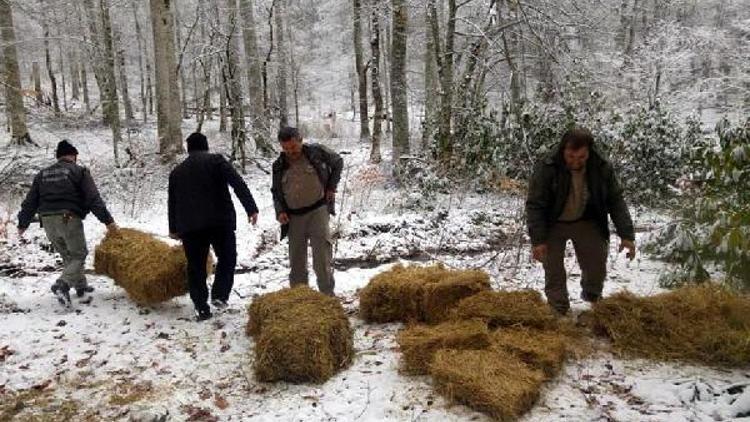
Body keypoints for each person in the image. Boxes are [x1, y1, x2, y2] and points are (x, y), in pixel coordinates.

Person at [526, 127, 636, 315]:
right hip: (553, 222)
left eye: (581, 157)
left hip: (587, 219)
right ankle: (558, 308)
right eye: (570, 157)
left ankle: (592, 296)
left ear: (589, 153)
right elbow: (535, 204)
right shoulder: (547, 167)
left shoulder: (601, 167)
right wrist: (538, 241)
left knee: (596, 265)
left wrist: (627, 235)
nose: (575, 162)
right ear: (563, 151)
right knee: (553, 268)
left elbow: (615, 200)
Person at [168, 132, 259, 321]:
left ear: (188, 148)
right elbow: (237, 183)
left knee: (196, 267)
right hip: (220, 222)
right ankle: (219, 294)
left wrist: (173, 228)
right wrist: (251, 208)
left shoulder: (177, 172)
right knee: (227, 257)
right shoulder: (216, 161)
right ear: (206, 146)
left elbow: (172, 202)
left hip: (190, 226)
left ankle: (201, 307)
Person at [17, 139, 118, 307]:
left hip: (47, 220)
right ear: (74, 155)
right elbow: (93, 198)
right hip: (68, 217)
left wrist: (22, 223)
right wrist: (108, 221)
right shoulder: (79, 171)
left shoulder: (42, 174)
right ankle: (62, 285)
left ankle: (81, 287)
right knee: (79, 254)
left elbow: (30, 202)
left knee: (68, 256)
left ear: (58, 157)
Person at [271, 127, 343, 296]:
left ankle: (327, 296)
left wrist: (331, 187)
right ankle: (299, 298)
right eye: (286, 148)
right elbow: (276, 191)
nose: (290, 151)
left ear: (300, 140)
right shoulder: (279, 165)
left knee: (322, 257)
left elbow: (338, 162)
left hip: (318, 210)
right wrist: (280, 211)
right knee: (296, 261)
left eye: (293, 147)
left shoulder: (316, 153)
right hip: (293, 217)